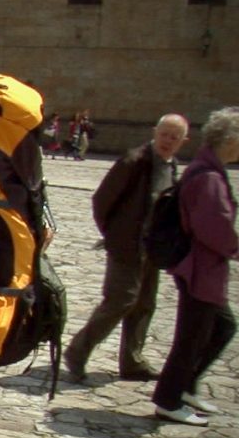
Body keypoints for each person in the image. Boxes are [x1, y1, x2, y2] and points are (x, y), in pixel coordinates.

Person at [64, 114, 189, 382]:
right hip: (127, 246)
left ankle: (132, 361)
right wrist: (114, 235)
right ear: (155, 131)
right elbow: (102, 200)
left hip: (152, 250)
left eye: (174, 137)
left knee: (144, 304)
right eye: (164, 134)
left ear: (183, 141)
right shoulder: (134, 162)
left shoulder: (172, 166)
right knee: (120, 301)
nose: (168, 140)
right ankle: (78, 350)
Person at [152, 107, 239, 426]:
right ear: (229, 140)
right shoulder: (209, 177)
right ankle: (168, 398)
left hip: (205, 270)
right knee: (191, 337)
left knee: (221, 326)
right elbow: (214, 226)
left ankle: (186, 385)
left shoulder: (208, 170)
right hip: (199, 269)